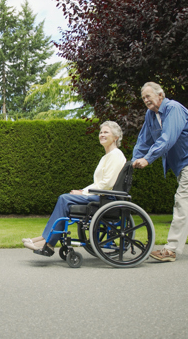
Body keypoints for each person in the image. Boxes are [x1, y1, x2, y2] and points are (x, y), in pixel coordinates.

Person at [23, 121, 126, 252]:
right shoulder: (107, 156)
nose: (102, 135)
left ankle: (48, 242)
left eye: (106, 132)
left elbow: (107, 184)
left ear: (116, 137)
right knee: (66, 198)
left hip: (106, 199)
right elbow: (99, 183)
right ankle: (46, 238)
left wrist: (83, 193)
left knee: (64, 199)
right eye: (101, 132)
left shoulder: (116, 155)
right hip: (101, 196)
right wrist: (82, 191)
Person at [132, 82, 188, 262]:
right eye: (143, 98)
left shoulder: (174, 109)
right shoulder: (151, 115)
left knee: (182, 203)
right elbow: (143, 140)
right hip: (182, 166)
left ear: (160, 95)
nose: (146, 100)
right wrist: (133, 161)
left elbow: (167, 138)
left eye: (148, 96)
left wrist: (148, 159)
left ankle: (170, 249)